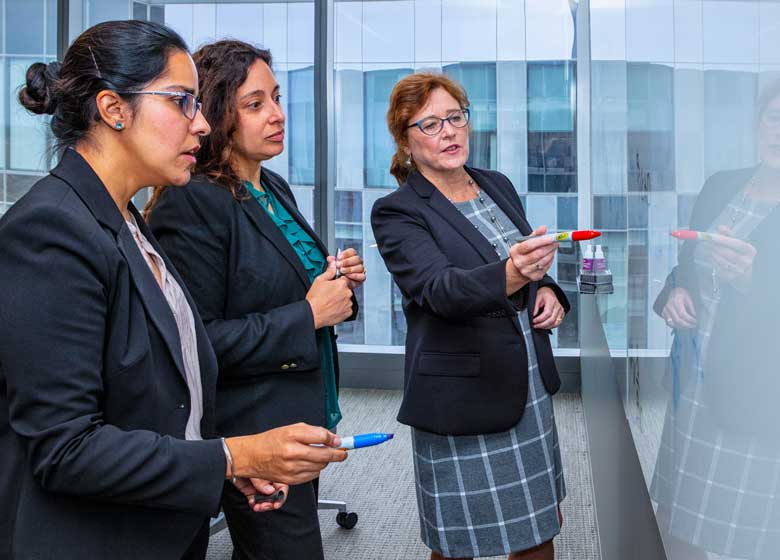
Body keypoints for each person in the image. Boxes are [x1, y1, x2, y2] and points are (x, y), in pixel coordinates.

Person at [0, 21, 346, 560]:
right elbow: (65, 448)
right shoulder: (50, 229)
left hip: (161, 519)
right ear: (114, 109)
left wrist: (221, 462)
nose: (203, 123)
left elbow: (162, 386)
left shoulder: (125, 217)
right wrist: (232, 457)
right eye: (183, 101)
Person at [145, 40, 365, 560]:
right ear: (217, 115)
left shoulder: (274, 187)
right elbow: (194, 342)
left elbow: (287, 286)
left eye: (277, 98)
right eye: (255, 104)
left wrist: (338, 284)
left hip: (303, 409)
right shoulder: (192, 200)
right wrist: (308, 312)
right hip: (252, 428)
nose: (278, 115)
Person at [371, 72, 569, 560]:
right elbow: (439, 290)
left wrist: (548, 289)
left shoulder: (495, 184)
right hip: (461, 394)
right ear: (405, 139)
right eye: (430, 124)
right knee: (459, 540)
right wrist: (513, 274)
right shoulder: (397, 212)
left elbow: (521, 260)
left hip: (525, 384)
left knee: (536, 530)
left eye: (456, 117)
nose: (449, 132)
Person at [651, 80, 780, 560]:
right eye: (774, 118)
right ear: (758, 123)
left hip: (755, 401)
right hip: (693, 392)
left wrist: (754, 282)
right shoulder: (722, 185)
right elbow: (686, 266)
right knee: (676, 525)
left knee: (743, 537)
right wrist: (674, 293)